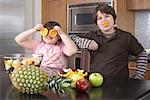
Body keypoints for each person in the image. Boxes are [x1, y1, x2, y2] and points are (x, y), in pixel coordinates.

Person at [69, 4, 148, 80]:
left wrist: (138, 76)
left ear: (114, 19)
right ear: (97, 23)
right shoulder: (91, 35)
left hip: (121, 85)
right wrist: (85, 42)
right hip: (95, 83)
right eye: (100, 18)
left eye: (107, 16)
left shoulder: (126, 37)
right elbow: (71, 38)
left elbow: (142, 54)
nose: (104, 20)